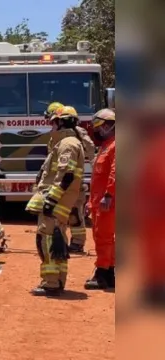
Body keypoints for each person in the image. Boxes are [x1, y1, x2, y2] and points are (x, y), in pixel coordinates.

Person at [25, 105, 86, 296]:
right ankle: (57, 281)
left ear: (61, 122)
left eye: (52, 122)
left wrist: (51, 199)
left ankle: (51, 283)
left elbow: (66, 175)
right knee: (57, 241)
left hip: (56, 201)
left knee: (47, 240)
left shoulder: (67, 143)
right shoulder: (65, 142)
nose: (50, 126)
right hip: (60, 200)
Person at [42, 102, 95, 253]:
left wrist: (94, 170)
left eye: (52, 119)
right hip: (60, 180)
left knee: (74, 213)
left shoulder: (77, 133)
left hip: (74, 179)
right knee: (60, 214)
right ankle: (61, 242)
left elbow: (90, 151)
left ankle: (77, 243)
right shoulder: (55, 135)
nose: (50, 122)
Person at [84, 108, 116, 290]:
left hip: (108, 202)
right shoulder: (106, 146)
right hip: (100, 202)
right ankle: (109, 273)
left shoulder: (115, 146)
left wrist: (109, 195)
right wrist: (90, 202)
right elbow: (97, 178)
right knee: (103, 238)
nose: (96, 131)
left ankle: (102, 273)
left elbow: (115, 173)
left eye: (98, 127)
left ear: (106, 126)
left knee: (104, 238)